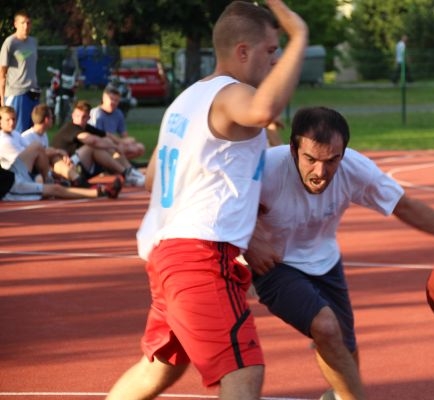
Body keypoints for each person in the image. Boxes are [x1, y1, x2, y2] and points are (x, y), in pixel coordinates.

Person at [105, 1, 308, 400]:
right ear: (243, 51)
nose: (276, 59)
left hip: (168, 253)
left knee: (159, 369)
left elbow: (152, 179)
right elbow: (265, 107)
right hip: (199, 256)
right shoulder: (232, 93)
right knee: (243, 369)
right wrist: (299, 35)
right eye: (271, 50)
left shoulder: (185, 101)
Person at [244, 106, 434, 400]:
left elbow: (404, 206)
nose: (320, 172)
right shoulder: (264, 170)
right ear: (292, 149)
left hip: (325, 260)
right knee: (326, 328)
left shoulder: (354, 169)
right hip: (274, 263)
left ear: (343, 154)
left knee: (345, 348)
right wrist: (250, 242)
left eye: (331, 160)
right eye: (310, 159)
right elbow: (215, 204)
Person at [0, 106, 120, 201]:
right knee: (55, 188)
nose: (12, 122)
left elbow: (36, 154)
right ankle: (99, 189)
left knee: (44, 153)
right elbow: (28, 158)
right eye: (8, 120)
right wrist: (57, 153)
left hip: (17, 176)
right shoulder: (5, 140)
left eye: (14, 119)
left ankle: (76, 182)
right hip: (11, 185)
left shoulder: (16, 134)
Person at [52, 100, 145, 187]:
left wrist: (121, 143)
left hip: (80, 165)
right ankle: (125, 173)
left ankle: (129, 170)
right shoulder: (70, 127)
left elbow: (107, 135)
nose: (80, 119)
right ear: (72, 115)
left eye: (84, 117)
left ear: (88, 118)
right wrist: (115, 146)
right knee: (93, 147)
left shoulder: (87, 127)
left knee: (106, 142)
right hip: (66, 167)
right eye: (77, 116)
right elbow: (92, 141)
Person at [21, 103, 89, 187]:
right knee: (55, 156)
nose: (53, 119)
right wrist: (58, 152)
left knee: (60, 158)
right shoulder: (27, 137)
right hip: (31, 172)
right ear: (46, 119)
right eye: (51, 117)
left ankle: (74, 178)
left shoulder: (43, 135)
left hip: (43, 168)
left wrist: (62, 156)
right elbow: (37, 156)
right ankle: (76, 179)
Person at [0, 10, 39, 133]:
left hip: (33, 93)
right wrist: (2, 98)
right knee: (18, 132)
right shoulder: (10, 43)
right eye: (22, 23)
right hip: (17, 93)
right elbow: (2, 73)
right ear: (15, 24)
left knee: (32, 132)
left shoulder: (33, 42)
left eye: (28, 23)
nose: (26, 26)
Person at [89, 84, 145, 160]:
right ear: (104, 98)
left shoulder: (118, 113)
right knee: (117, 147)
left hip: (114, 143)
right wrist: (120, 141)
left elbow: (124, 134)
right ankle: (116, 163)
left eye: (116, 100)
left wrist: (128, 141)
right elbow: (99, 136)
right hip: (100, 145)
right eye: (111, 99)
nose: (113, 102)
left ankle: (118, 162)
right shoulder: (97, 114)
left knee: (139, 147)